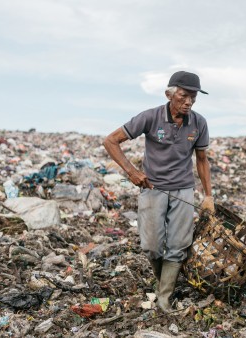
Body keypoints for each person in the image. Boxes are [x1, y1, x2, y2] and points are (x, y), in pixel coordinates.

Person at [103, 71, 215, 312]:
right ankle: (161, 277)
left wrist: (208, 196)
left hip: (184, 190)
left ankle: (164, 296)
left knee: (178, 245)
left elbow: (202, 159)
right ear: (169, 94)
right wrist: (131, 171)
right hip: (153, 188)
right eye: (184, 96)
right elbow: (111, 141)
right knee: (152, 245)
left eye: (193, 98)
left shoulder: (199, 122)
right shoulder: (150, 117)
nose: (188, 102)